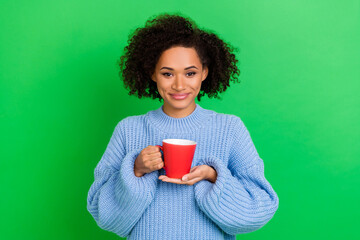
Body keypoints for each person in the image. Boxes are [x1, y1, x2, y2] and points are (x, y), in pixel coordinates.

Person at [87, 13, 279, 240]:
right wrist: (136, 170)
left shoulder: (229, 128)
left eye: (190, 73)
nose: (179, 85)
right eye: (167, 73)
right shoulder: (129, 130)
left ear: (204, 73)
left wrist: (214, 177)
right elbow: (102, 213)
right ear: (152, 74)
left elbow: (261, 207)